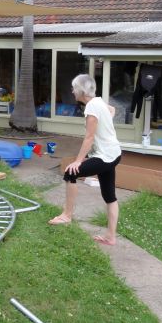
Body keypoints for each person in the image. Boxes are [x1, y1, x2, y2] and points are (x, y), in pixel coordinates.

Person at [48, 74, 122, 245]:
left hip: (105, 156)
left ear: (81, 90)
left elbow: (89, 138)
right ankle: (111, 237)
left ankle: (67, 215)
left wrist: (78, 161)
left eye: (74, 88)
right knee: (109, 196)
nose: (72, 91)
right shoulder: (99, 102)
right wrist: (106, 122)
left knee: (70, 173)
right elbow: (112, 110)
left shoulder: (91, 108)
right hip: (114, 153)